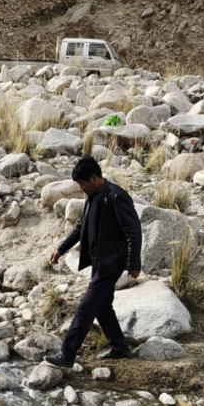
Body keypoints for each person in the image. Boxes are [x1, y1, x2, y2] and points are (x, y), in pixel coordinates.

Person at [43, 156, 142, 369]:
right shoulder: (93, 196)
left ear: (95, 178)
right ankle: (120, 348)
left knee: (86, 307)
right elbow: (80, 227)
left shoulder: (116, 197)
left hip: (112, 263)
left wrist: (134, 263)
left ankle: (66, 355)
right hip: (99, 262)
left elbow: (133, 231)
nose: (81, 188)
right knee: (102, 307)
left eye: (83, 184)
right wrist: (61, 249)